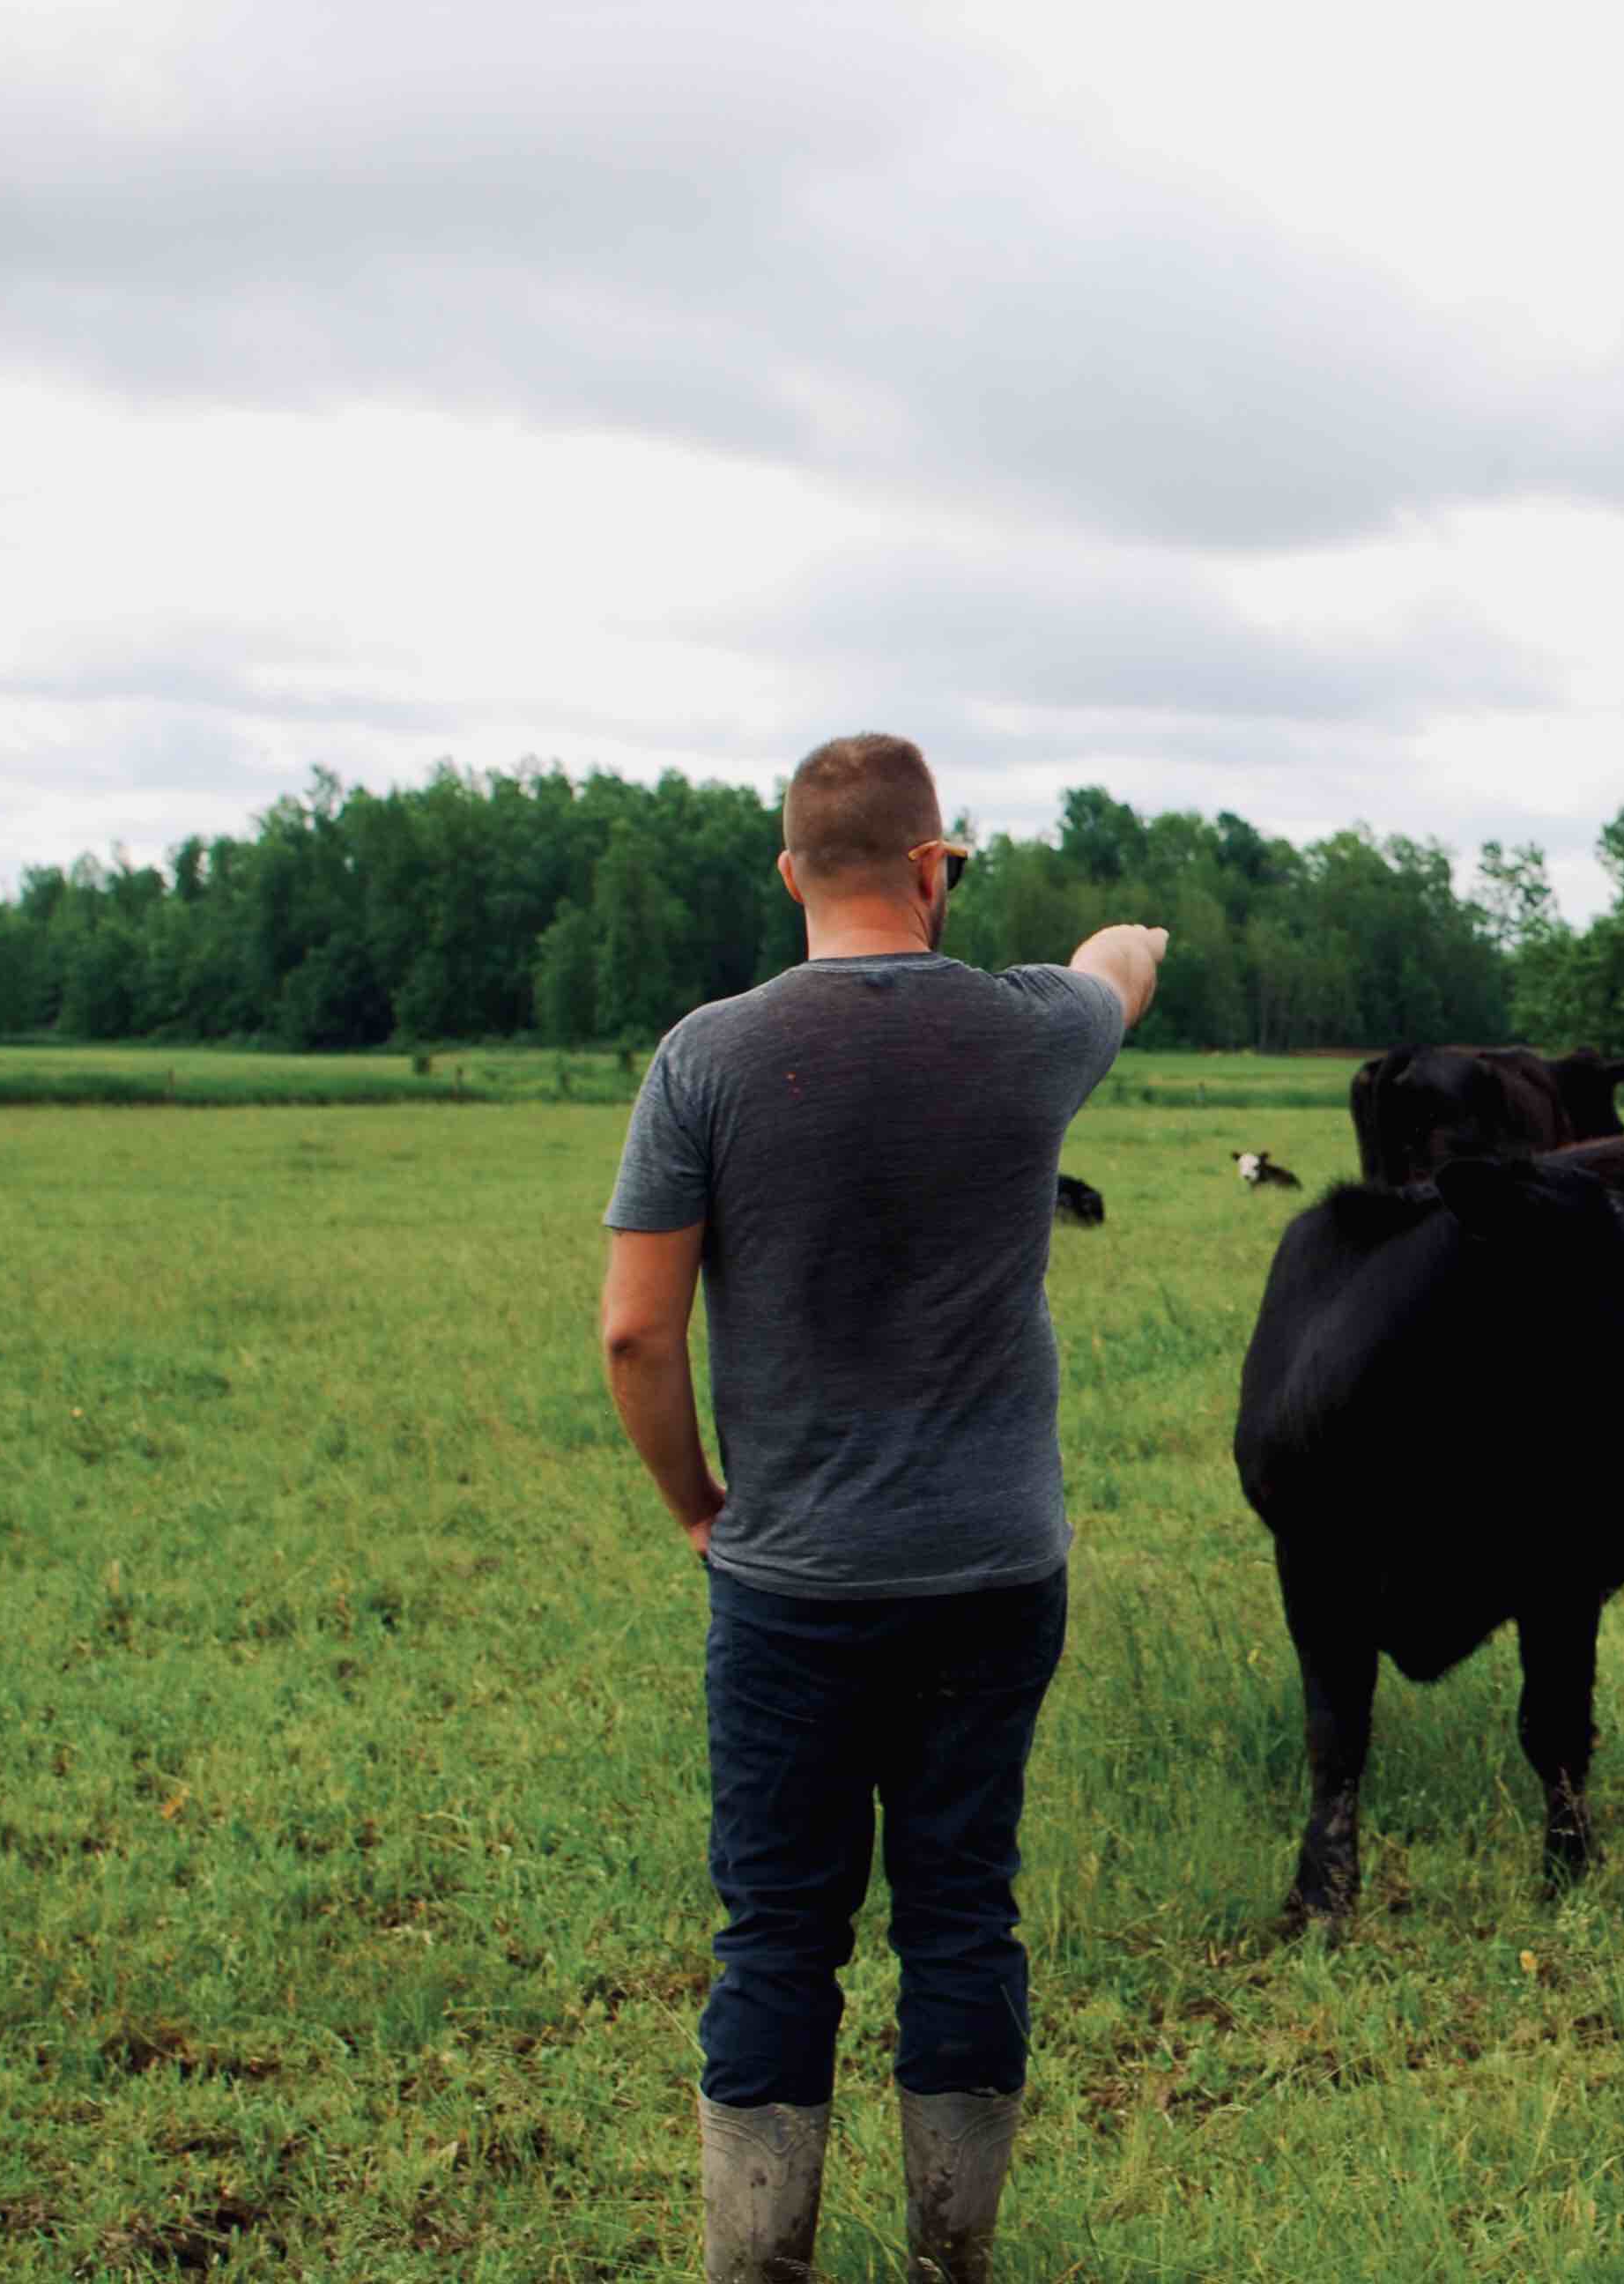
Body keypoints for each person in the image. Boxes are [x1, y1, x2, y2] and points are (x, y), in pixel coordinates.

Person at [597, 732, 1167, 2284]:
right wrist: (1126, 939)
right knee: (962, 1913)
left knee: (778, 1929)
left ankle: (759, 2263)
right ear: (935, 868)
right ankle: (951, 2257)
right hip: (992, 1571)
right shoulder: (1032, 1030)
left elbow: (637, 1332)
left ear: (792, 873)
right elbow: (1121, 960)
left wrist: (700, 1506)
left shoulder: (705, 1056)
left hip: (790, 1581)